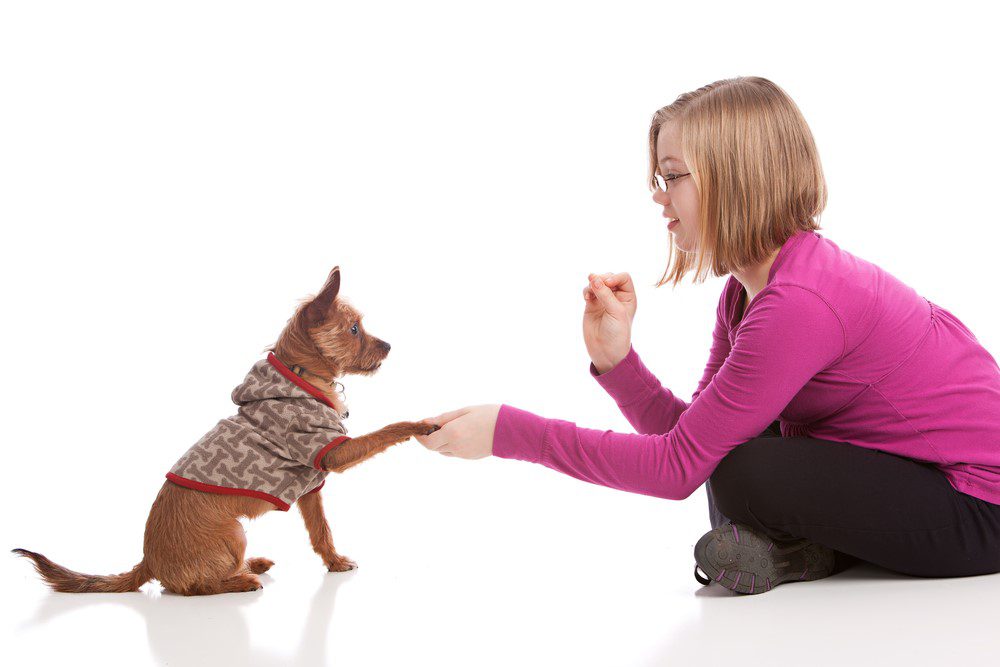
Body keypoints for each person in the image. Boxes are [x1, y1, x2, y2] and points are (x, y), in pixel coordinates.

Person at [414, 76, 1000, 594]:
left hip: (978, 505)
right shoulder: (748, 291)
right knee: (736, 458)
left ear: (736, 179)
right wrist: (620, 365)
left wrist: (510, 433)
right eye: (657, 176)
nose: (657, 195)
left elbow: (679, 468)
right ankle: (807, 550)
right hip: (903, 474)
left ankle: (805, 549)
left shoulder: (798, 303)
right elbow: (698, 436)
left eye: (672, 176)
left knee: (743, 473)